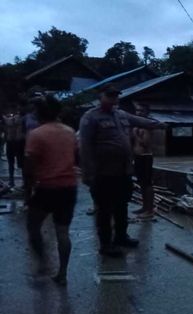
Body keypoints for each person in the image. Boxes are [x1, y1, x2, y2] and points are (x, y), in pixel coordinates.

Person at [79, 84, 168, 257]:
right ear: (100, 96)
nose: (114, 99)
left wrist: (159, 125)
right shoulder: (90, 117)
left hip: (123, 171)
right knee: (104, 209)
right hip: (103, 172)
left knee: (122, 205)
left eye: (116, 96)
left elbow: (141, 121)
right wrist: (87, 172)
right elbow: (85, 146)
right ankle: (106, 244)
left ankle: (121, 236)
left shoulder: (121, 114)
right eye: (110, 95)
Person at [24, 95, 78, 286]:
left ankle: (43, 262)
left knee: (33, 226)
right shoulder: (70, 131)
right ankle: (62, 273)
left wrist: (28, 188)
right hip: (69, 187)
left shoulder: (37, 134)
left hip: (47, 187)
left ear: (40, 113)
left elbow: (29, 165)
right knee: (63, 232)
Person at [132, 103, 156, 219]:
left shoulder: (147, 126)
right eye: (137, 111)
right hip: (138, 157)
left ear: (146, 113)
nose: (139, 113)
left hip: (145, 157)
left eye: (141, 111)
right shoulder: (136, 126)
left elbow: (145, 143)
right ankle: (144, 207)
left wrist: (135, 135)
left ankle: (150, 210)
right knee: (141, 183)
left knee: (147, 184)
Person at [3, 108, 24, 187]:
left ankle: (12, 181)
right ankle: (17, 181)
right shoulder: (21, 118)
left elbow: (7, 123)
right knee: (19, 163)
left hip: (13, 142)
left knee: (12, 163)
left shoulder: (13, 119)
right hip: (15, 142)